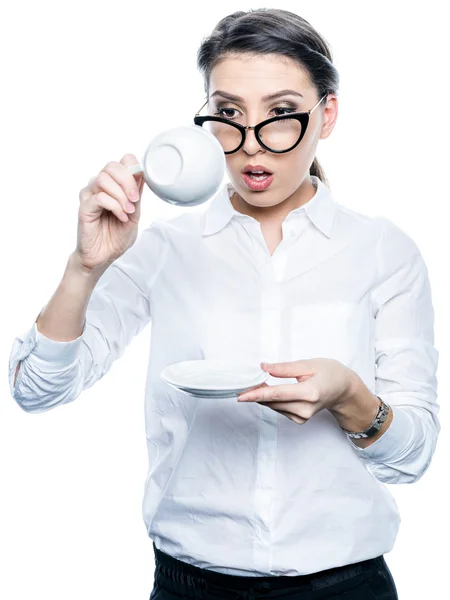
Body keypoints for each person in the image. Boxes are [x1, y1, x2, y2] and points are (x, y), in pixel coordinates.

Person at [8, 8, 439, 600]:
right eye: (230, 114)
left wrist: (349, 395)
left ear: (327, 114)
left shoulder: (383, 251)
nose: (251, 146)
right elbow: (36, 390)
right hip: (191, 585)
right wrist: (85, 267)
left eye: (282, 115)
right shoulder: (162, 248)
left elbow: (413, 455)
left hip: (347, 585)